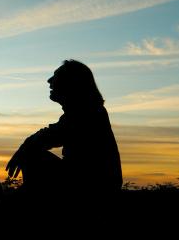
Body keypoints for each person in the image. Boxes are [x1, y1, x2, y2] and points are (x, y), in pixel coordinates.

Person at [6, 60, 122, 199]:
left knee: (31, 155)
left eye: (56, 76)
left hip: (92, 186)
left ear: (72, 83)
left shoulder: (86, 111)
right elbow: (51, 133)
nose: (49, 81)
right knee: (31, 153)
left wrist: (24, 148)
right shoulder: (84, 110)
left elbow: (50, 136)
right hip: (90, 182)